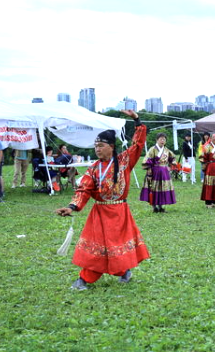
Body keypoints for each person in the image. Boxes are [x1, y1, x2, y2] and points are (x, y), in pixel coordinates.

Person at [54, 110, 148, 290]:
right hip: (100, 212)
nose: (97, 149)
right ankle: (86, 279)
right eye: (96, 146)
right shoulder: (94, 168)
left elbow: (138, 144)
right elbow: (84, 188)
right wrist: (72, 207)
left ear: (112, 146)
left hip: (119, 212)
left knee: (115, 247)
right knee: (98, 247)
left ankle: (118, 272)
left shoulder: (125, 160)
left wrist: (137, 120)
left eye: (101, 145)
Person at [140, 132, 177, 213]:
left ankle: (162, 207)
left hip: (164, 172)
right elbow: (147, 161)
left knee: (163, 188)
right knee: (154, 188)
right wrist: (149, 172)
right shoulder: (152, 149)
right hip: (155, 172)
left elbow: (173, 158)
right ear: (157, 140)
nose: (162, 140)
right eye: (161, 139)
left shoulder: (167, 150)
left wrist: (170, 166)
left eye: (164, 139)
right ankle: (155, 207)